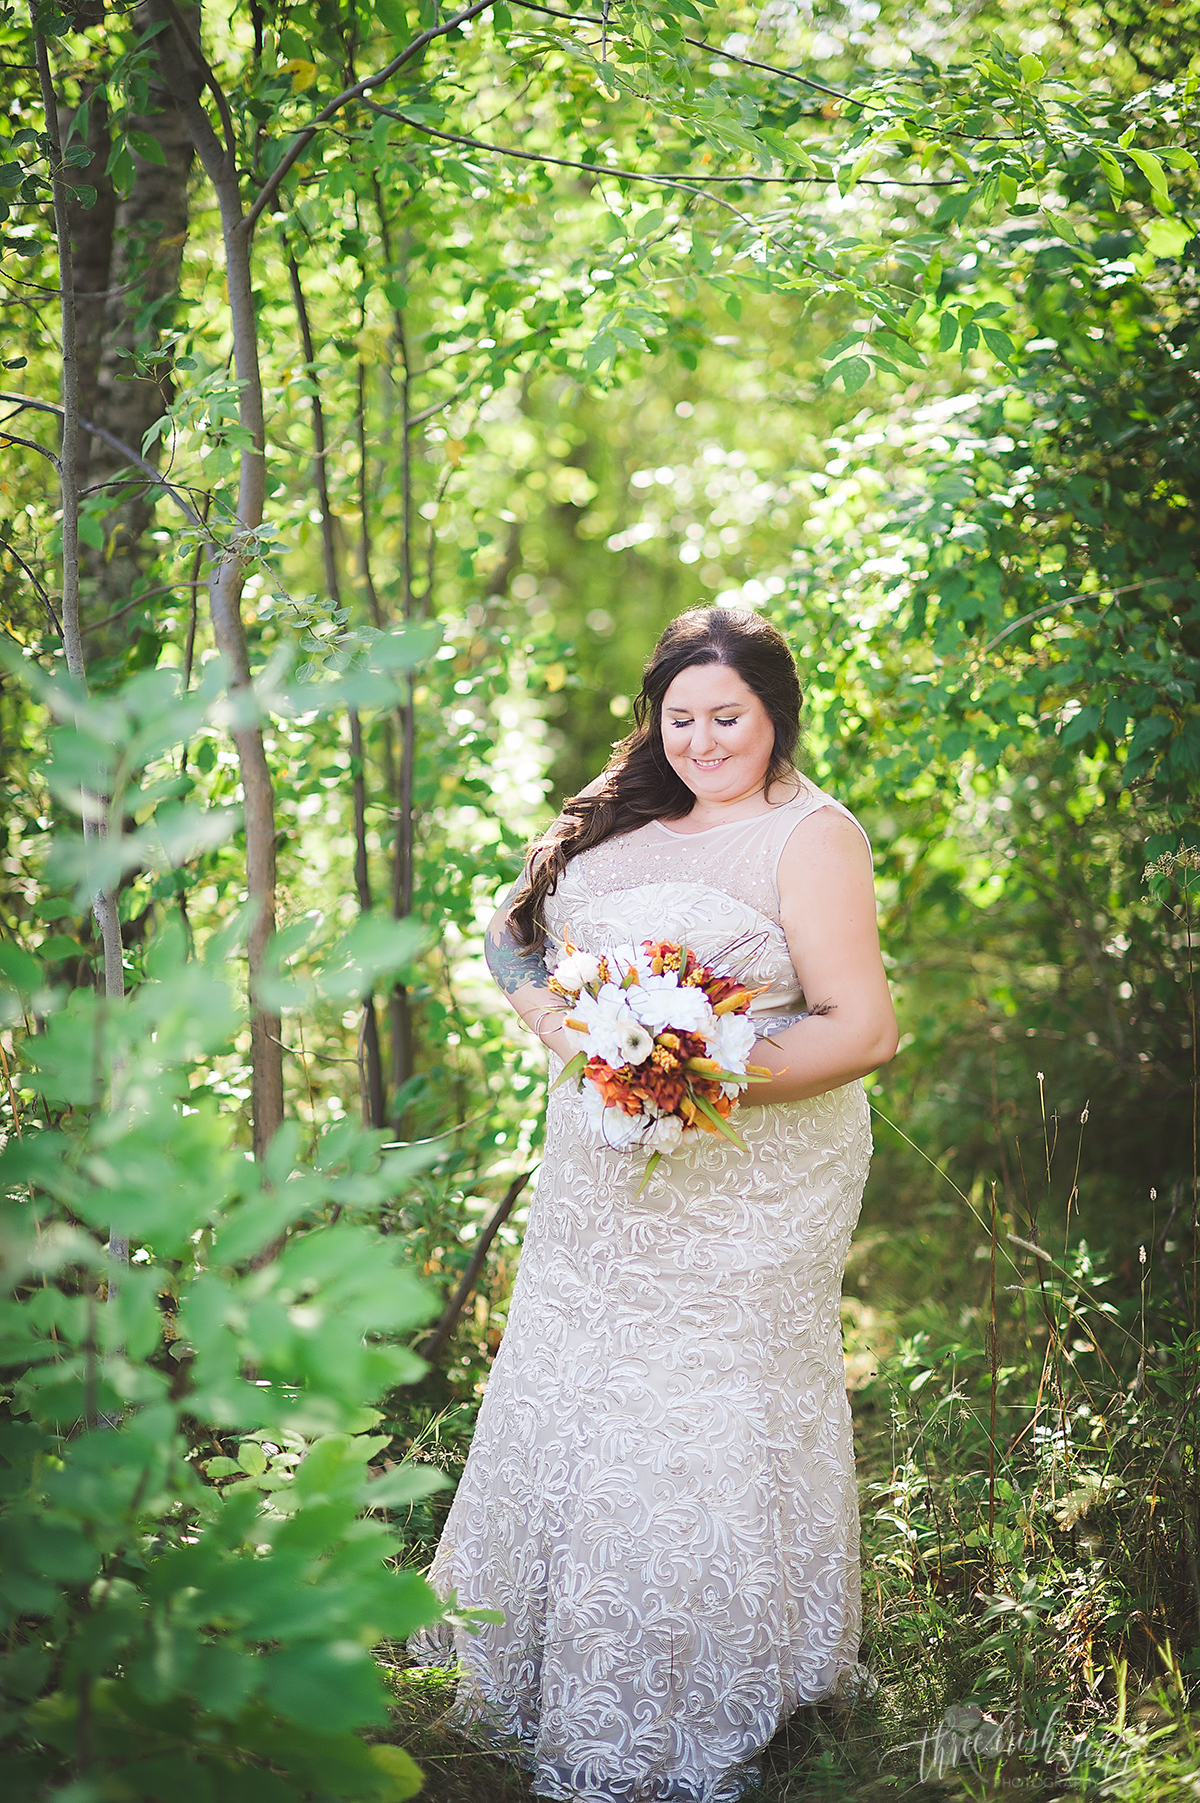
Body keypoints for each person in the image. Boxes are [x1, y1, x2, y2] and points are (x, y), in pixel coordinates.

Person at [409, 606, 898, 1801]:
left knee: (704, 1405)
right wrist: (577, 1045)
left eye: (725, 715)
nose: (700, 739)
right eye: (679, 718)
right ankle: (537, 1658)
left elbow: (865, 1029)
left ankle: (707, 1676)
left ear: (775, 708)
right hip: (601, 1172)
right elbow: (511, 934)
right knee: (581, 1382)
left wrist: (695, 1069)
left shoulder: (812, 837)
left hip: (757, 1180)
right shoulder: (624, 814)